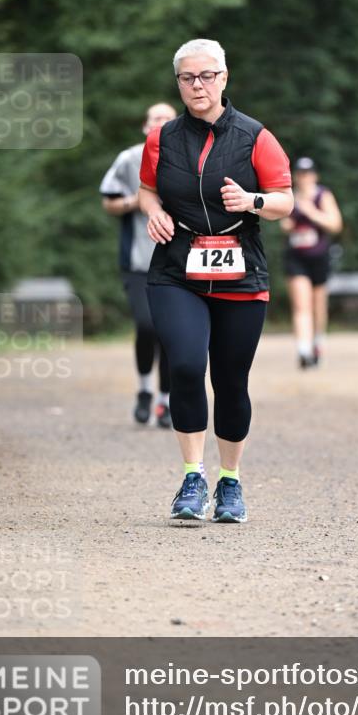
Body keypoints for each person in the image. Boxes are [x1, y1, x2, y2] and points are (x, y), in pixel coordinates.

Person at [139, 39, 293, 522]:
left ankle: (230, 483)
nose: (197, 85)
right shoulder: (162, 138)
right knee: (185, 365)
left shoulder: (255, 137)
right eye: (187, 78)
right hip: (177, 268)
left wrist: (253, 201)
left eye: (206, 76)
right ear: (178, 83)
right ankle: (192, 477)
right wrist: (154, 213)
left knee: (230, 380)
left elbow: (285, 199)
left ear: (224, 78)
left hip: (240, 269)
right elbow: (146, 191)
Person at [100, 103, 176, 427]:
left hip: (178, 263)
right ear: (146, 127)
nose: (161, 124)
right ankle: (145, 390)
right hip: (138, 261)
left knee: (173, 334)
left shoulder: (188, 159)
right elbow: (108, 201)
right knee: (147, 326)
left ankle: (165, 402)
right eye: (155, 119)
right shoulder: (129, 159)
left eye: (168, 120)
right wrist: (139, 200)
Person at [280, 157, 343, 368]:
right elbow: (284, 224)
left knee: (318, 306)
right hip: (296, 258)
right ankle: (303, 350)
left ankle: (317, 342)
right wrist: (288, 224)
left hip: (319, 257)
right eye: (300, 173)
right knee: (301, 304)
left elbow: (335, 224)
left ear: (315, 175)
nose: (304, 177)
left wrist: (311, 212)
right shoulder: (291, 197)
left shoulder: (323, 195)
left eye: (307, 173)